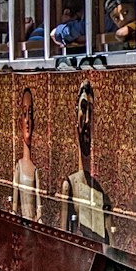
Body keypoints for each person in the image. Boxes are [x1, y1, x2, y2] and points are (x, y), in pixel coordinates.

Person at [59, 82, 111, 242]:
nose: (87, 119)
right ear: (76, 115)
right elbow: (63, 234)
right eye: (83, 109)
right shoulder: (70, 185)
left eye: (91, 111)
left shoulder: (100, 192)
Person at [11, 88, 42, 221]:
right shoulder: (19, 166)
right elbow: (14, 203)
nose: (27, 121)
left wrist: (39, 219)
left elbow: (39, 201)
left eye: (30, 114)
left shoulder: (35, 169)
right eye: (24, 114)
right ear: (20, 122)